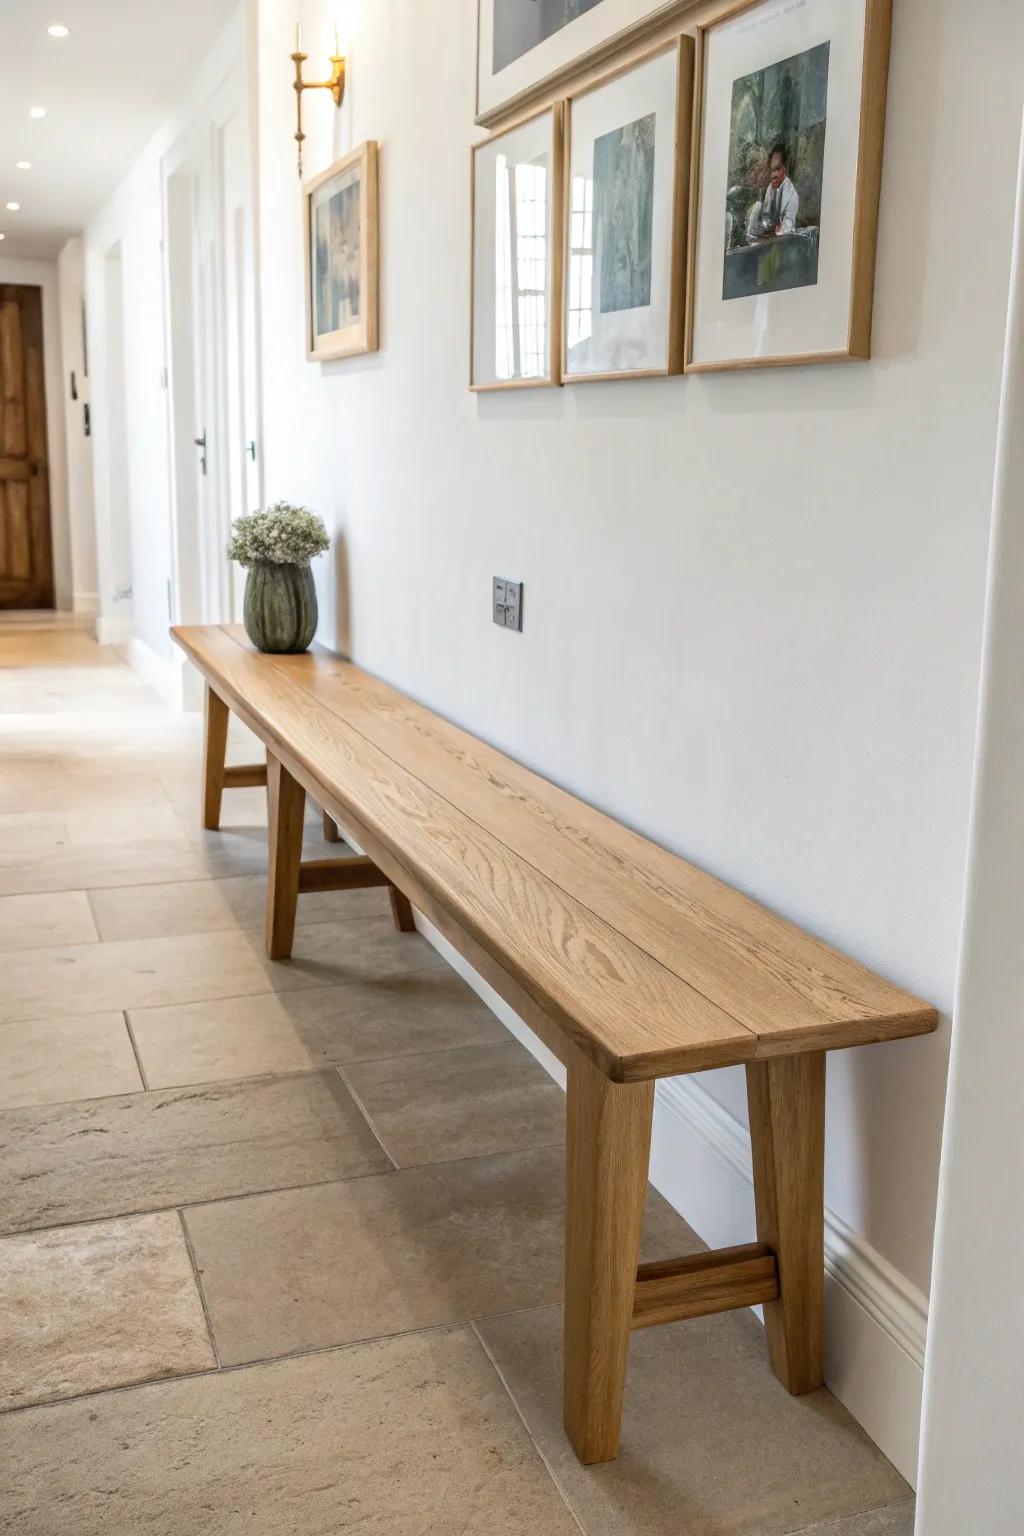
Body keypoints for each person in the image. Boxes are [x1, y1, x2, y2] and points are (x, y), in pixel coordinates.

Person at [747, 143, 799, 240]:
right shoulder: (770, 188)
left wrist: (778, 229)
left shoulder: (792, 196)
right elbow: (766, 217)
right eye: (771, 170)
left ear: (785, 168)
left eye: (777, 169)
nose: (772, 175)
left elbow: (787, 228)